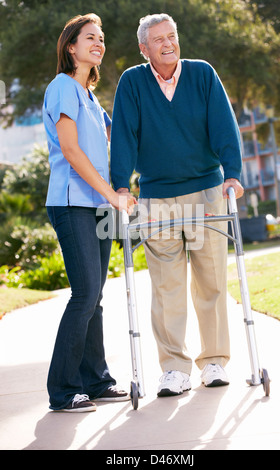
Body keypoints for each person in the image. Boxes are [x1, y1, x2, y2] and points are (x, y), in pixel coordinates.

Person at [110, 14, 244, 397]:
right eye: (158, 39)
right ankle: (174, 369)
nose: (168, 43)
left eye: (172, 36)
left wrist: (232, 173)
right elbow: (123, 134)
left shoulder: (202, 74)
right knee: (167, 286)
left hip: (206, 192)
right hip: (155, 196)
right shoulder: (133, 82)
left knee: (211, 280)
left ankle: (214, 361)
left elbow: (224, 125)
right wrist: (121, 184)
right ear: (143, 48)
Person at [42, 14, 136, 412]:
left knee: (95, 295)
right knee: (84, 294)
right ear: (71, 47)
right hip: (71, 203)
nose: (98, 43)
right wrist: (109, 195)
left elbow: (121, 139)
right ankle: (63, 390)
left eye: (101, 38)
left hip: (96, 205)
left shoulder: (93, 99)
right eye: (90, 38)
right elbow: (71, 150)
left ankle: (96, 381)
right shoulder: (63, 87)